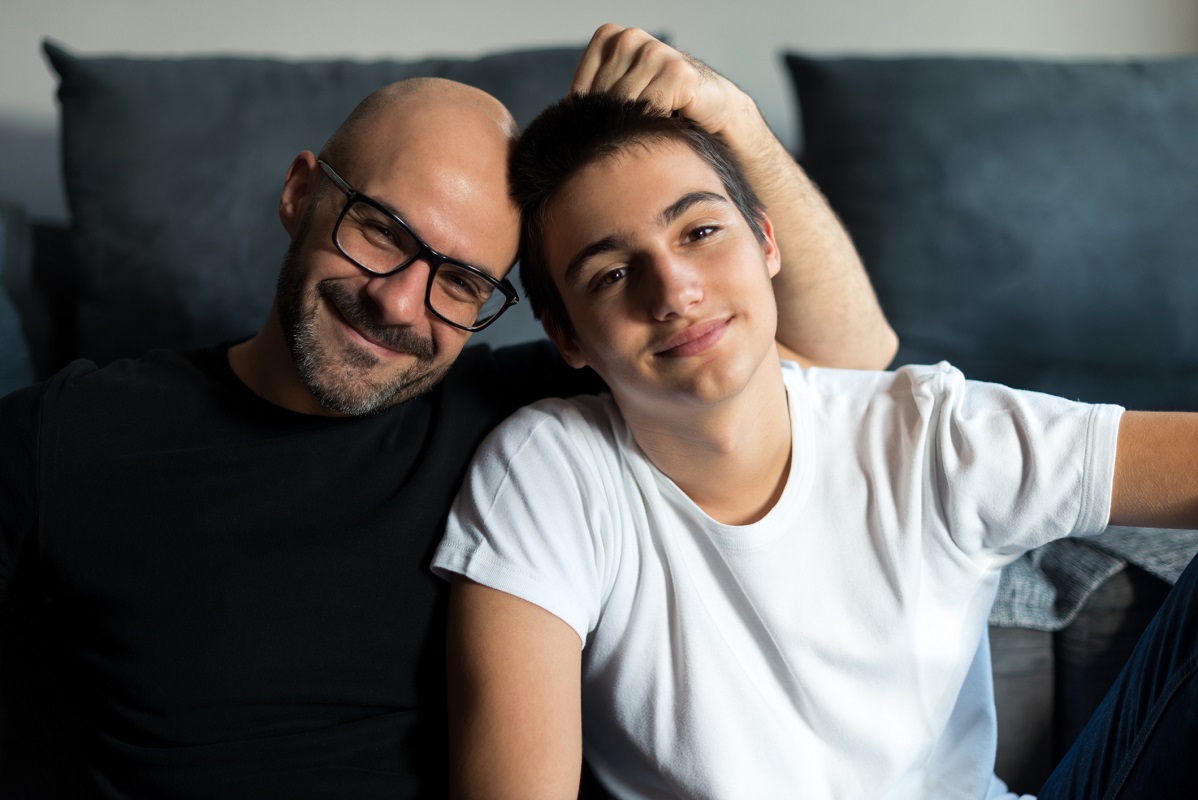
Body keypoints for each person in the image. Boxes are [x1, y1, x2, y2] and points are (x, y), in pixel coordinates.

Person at [0, 25, 896, 800]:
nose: (400, 303)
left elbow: (850, 362)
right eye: (382, 232)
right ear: (301, 194)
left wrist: (732, 120)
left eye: (461, 281)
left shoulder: (525, 416)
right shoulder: (74, 434)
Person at [432, 91, 1198, 799]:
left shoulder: (925, 431)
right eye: (612, 273)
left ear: (767, 241)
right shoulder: (549, 472)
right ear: (565, 335)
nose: (673, 292)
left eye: (700, 232)